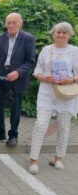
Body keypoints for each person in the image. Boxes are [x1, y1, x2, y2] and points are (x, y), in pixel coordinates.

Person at [28, 22, 78, 174]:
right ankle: (33, 160)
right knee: (41, 124)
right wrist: (43, 77)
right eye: (58, 32)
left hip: (66, 94)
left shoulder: (75, 51)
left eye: (64, 33)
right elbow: (37, 70)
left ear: (69, 35)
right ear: (53, 34)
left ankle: (58, 158)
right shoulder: (46, 50)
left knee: (63, 127)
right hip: (47, 92)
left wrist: (72, 80)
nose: (61, 35)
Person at [0, 13, 36, 147]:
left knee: (15, 109)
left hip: (17, 78)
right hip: (0, 76)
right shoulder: (0, 39)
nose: (11, 25)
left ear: (20, 23)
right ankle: (0, 132)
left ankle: (13, 135)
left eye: (14, 22)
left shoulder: (28, 39)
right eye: (8, 22)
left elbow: (30, 61)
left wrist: (18, 72)